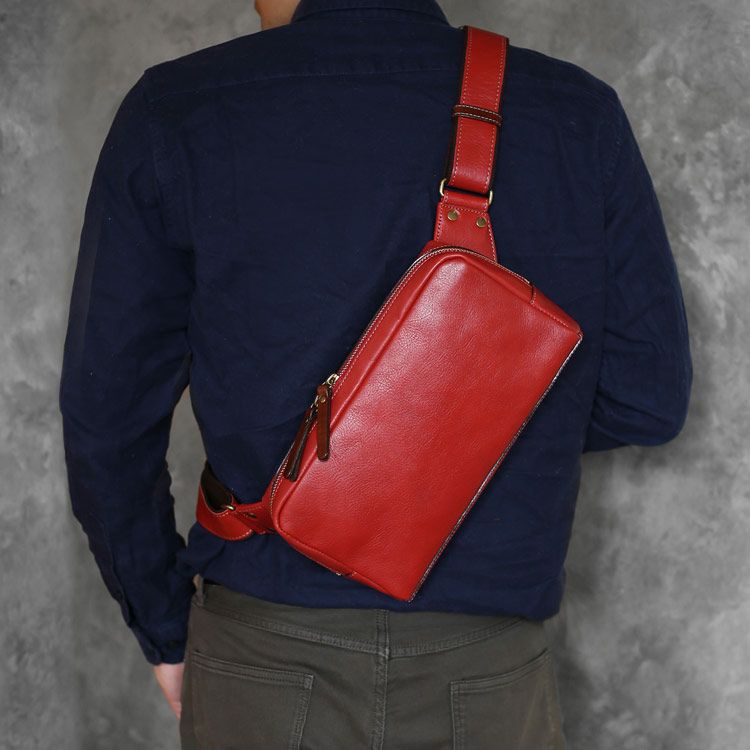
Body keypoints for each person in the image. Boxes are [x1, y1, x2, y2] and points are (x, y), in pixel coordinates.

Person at [58, 0, 693, 747]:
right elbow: (646, 398)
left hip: (261, 662)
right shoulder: (577, 113)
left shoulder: (177, 109)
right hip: (491, 673)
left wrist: (164, 629)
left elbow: (108, 423)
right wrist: (456, 443)